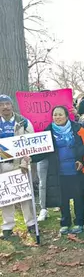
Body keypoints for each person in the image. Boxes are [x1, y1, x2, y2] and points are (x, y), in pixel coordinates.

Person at [30, 106, 84, 235]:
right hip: (58, 170)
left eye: (60, 114)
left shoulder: (77, 128)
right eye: (55, 115)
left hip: (76, 169)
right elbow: (42, 151)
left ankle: (79, 222)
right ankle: (65, 223)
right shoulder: (48, 131)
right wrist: (31, 158)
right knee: (63, 198)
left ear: (67, 116)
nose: (57, 117)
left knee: (79, 197)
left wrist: (81, 160)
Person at [0, 95, 35, 239]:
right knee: (5, 196)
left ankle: (31, 223)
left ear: (12, 105)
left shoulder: (23, 121)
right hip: (2, 165)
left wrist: (26, 162)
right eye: (2, 104)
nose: (5, 107)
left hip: (19, 163)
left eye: (7, 104)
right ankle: (7, 226)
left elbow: (31, 143)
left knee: (25, 195)